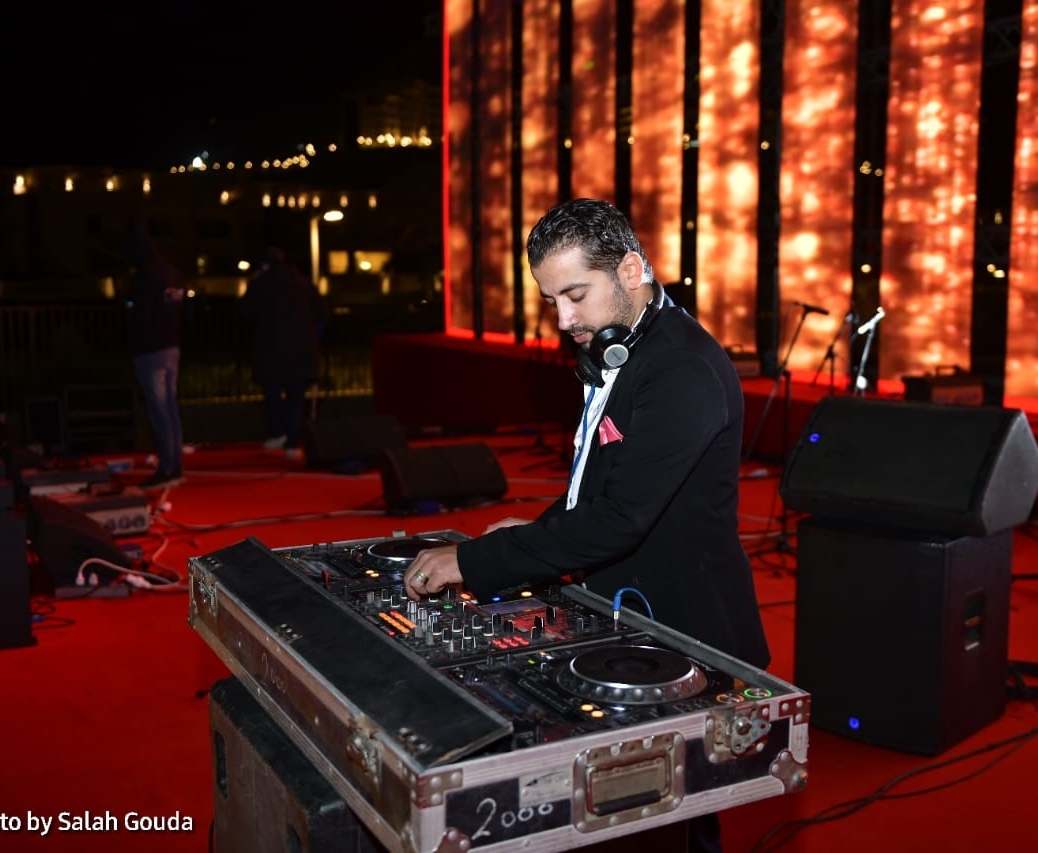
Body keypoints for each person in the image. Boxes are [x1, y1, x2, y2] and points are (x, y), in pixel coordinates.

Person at [403, 198, 769, 853]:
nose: (565, 319)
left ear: (629, 270)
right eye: (553, 301)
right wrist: (536, 528)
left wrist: (475, 561)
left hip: (687, 631)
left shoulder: (681, 369)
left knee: (673, 827)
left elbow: (621, 518)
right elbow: (603, 490)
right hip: (636, 613)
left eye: (575, 295)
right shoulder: (626, 345)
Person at [240, 247, 328, 458]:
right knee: (295, 397)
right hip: (301, 351)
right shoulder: (303, 283)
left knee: (272, 394)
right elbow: (323, 313)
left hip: (271, 350)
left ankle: (278, 433)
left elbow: (244, 311)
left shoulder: (261, 284)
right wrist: (313, 339)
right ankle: (292, 441)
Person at [124, 223, 187, 489]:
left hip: (151, 350)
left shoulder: (145, 276)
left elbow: (139, 315)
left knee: (160, 409)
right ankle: (175, 464)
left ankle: (168, 467)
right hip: (171, 346)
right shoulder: (171, 272)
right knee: (169, 407)